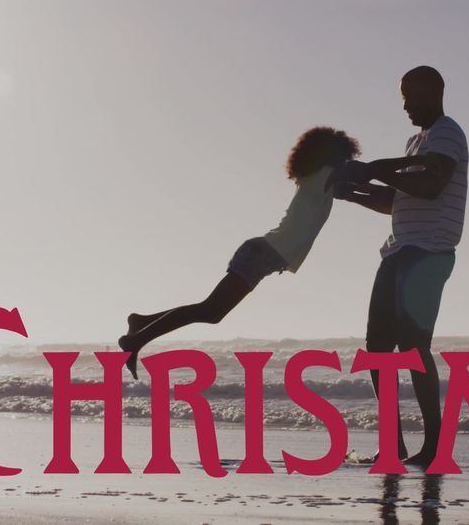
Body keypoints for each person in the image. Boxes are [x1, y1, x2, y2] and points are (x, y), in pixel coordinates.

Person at [117, 126, 361, 379]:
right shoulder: (323, 174)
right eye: (343, 156)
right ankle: (137, 337)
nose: (346, 161)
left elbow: (355, 184)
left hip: (261, 255)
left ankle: (141, 323)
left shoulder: (319, 178)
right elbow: (368, 171)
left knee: (210, 311)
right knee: (210, 311)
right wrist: (405, 164)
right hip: (260, 255)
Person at [332, 66, 468, 467]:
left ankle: (435, 444)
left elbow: (432, 184)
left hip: (427, 252)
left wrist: (372, 168)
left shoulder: (446, 132)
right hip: (397, 251)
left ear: (435, 92)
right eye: (403, 97)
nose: (406, 105)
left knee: (412, 348)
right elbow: (398, 200)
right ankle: (394, 444)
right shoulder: (416, 142)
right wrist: (354, 192)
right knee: (378, 349)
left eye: (412, 95)